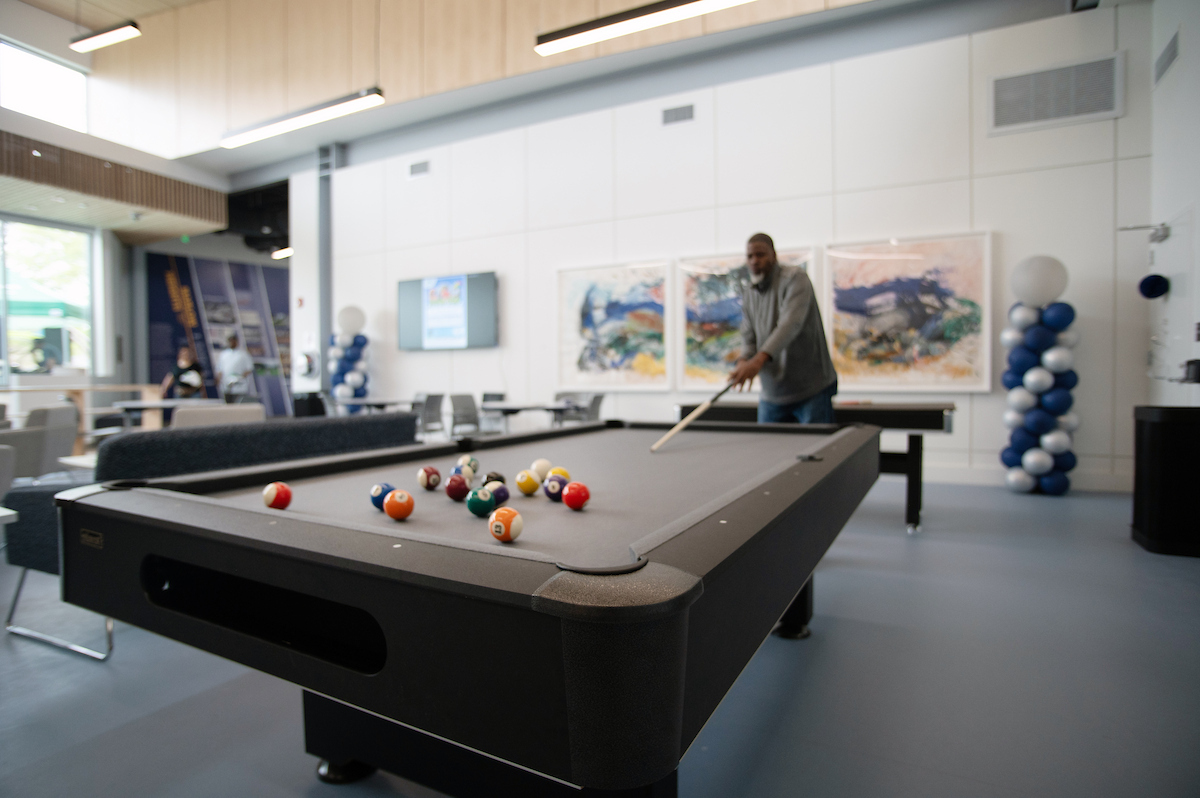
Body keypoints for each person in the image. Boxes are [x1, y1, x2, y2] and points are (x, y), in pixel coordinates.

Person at [729, 232, 838, 423]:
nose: (755, 260)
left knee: (816, 451)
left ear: (774, 255)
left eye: (760, 255)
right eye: (750, 256)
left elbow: (790, 324)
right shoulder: (749, 292)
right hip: (772, 395)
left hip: (811, 391)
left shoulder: (796, 278)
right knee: (767, 453)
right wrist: (743, 361)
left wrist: (756, 362)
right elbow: (748, 336)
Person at [216, 334, 254, 403]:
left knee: (238, 403)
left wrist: (239, 378)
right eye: (230, 341)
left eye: (233, 341)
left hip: (239, 384)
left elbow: (249, 368)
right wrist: (219, 380)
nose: (232, 343)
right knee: (228, 403)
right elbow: (220, 369)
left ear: (237, 342)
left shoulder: (243, 354)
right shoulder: (224, 354)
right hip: (226, 384)